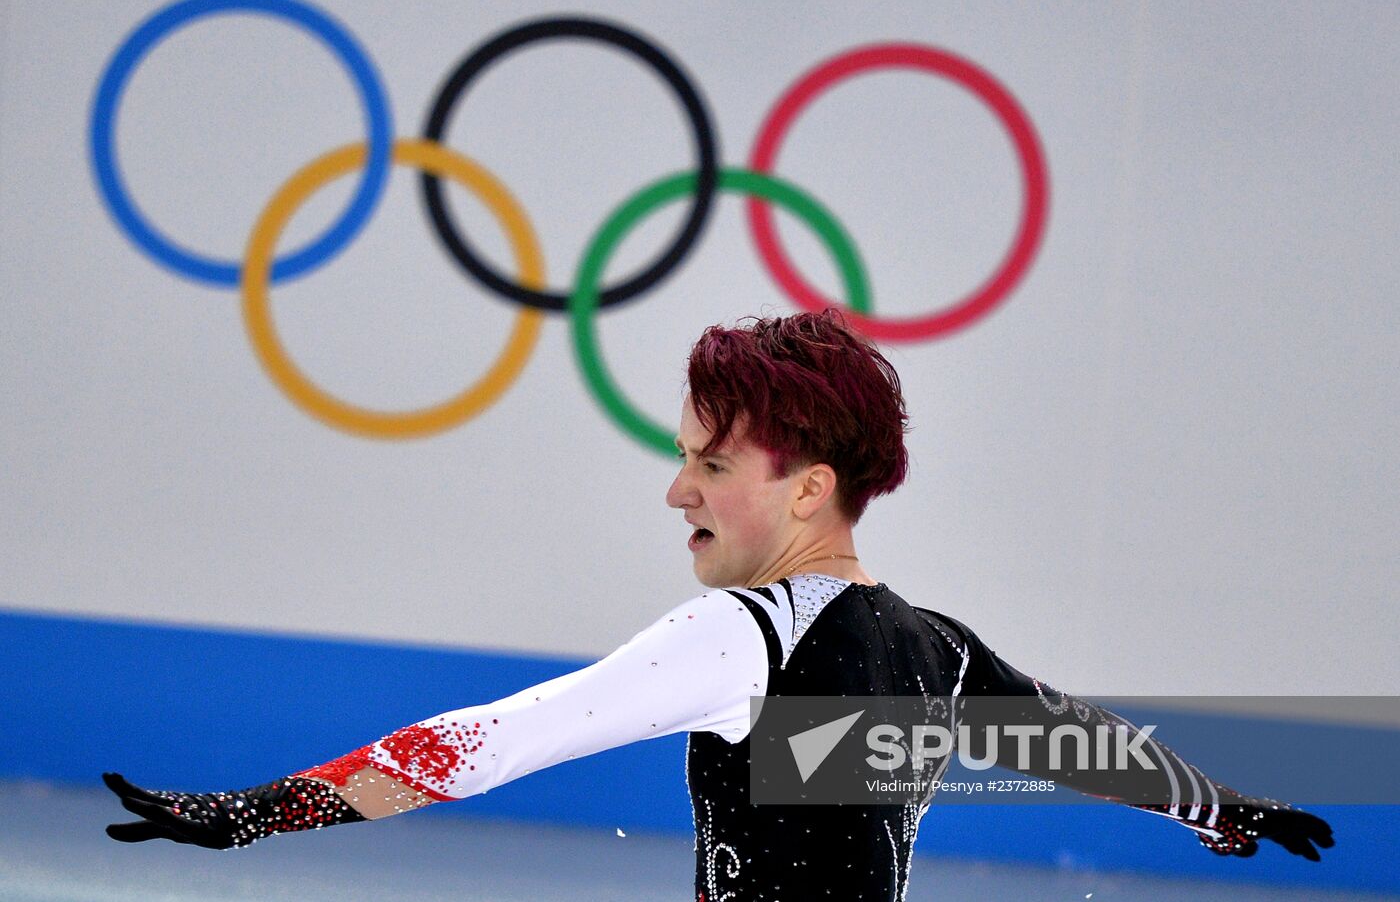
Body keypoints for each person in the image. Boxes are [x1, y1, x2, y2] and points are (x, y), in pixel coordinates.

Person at [104, 309, 1334, 900]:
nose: (674, 489)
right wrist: (1220, 810)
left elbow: (491, 741)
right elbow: (1070, 744)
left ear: (806, 488)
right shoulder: (932, 648)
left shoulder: (741, 635)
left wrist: (258, 812)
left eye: (708, 463)